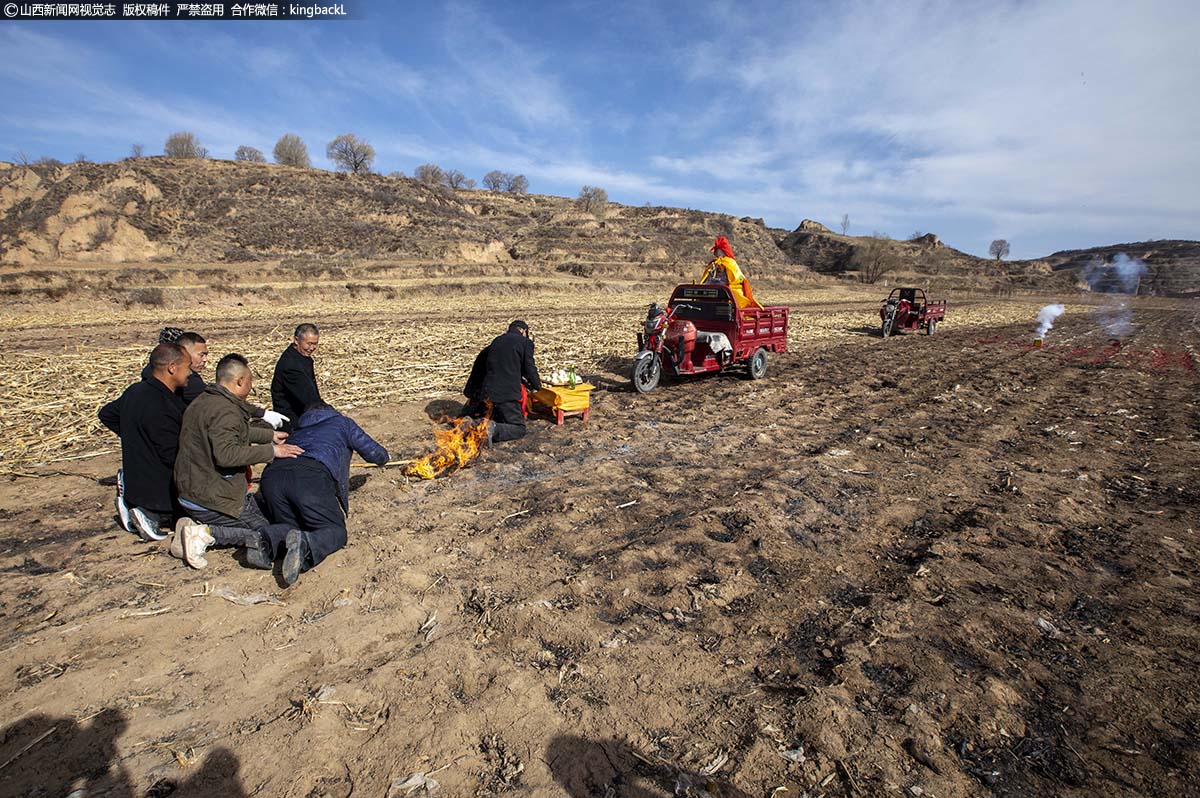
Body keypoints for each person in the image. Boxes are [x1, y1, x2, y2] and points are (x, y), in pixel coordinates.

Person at [172, 354, 302, 569]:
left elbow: (233, 433)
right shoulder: (226, 411)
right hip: (211, 496)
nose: (251, 387)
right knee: (269, 534)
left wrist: (268, 436)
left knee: (266, 520)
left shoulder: (207, 400)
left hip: (191, 489)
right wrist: (272, 452)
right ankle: (205, 534)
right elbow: (227, 455)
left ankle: (189, 526)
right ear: (240, 381)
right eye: (250, 381)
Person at [258, 402, 388, 585]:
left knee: (292, 527)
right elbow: (374, 453)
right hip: (309, 477)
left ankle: (264, 540)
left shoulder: (297, 429)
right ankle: (306, 547)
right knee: (335, 531)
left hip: (271, 479)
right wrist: (385, 458)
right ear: (333, 412)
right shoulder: (342, 423)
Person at [99, 343, 191, 540]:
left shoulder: (136, 391)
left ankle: (131, 503)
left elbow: (107, 414)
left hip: (137, 479)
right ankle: (150, 515)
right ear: (172, 367)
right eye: (187, 366)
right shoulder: (162, 404)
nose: (190, 372)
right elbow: (171, 455)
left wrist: (135, 438)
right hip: (158, 491)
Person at [462, 320, 542, 442]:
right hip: (506, 396)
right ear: (523, 331)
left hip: (486, 395)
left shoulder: (496, 341)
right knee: (518, 428)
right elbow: (529, 368)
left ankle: (471, 422)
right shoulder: (525, 343)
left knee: (493, 415)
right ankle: (492, 429)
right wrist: (537, 385)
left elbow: (481, 366)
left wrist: (470, 393)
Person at [271, 323, 322, 433]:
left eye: (315, 344)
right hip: (292, 421)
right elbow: (309, 399)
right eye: (309, 344)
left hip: (302, 415)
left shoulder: (301, 357)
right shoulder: (291, 366)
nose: (312, 348)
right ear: (296, 340)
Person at [699, 236, 762, 309]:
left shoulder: (730, 263)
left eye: (720, 251)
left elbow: (737, 278)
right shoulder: (714, 263)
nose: (718, 253)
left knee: (735, 295)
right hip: (714, 289)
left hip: (730, 289)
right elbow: (708, 278)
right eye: (716, 251)